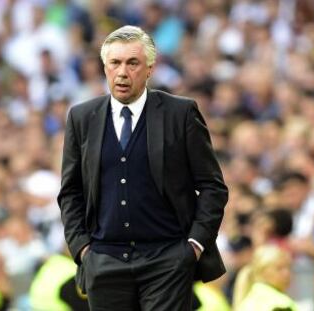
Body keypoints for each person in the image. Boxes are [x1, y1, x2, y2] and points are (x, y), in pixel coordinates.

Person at [57, 25, 228, 311]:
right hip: (104, 261)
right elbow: (70, 191)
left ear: (149, 69)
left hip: (167, 260)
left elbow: (213, 186)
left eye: (132, 63)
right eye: (115, 63)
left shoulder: (181, 113)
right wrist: (83, 250)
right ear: (104, 67)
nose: (122, 72)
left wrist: (194, 246)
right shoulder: (82, 117)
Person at [233, 244, 298, 311]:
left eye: (289, 267)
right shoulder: (279, 305)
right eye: (279, 268)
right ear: (262, 272)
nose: (287, 273)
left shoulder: (247, 301)